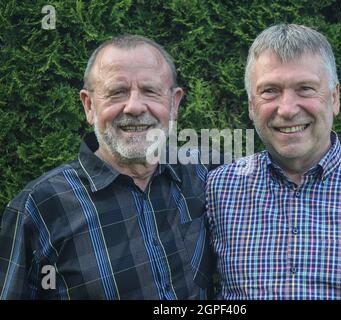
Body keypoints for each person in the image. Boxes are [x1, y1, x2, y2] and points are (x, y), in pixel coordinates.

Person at [0, 35, 214, 299]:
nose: (134, 106)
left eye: (150, 91)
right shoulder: (40, 208)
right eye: (117, 92)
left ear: (174, 103)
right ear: (89, 106)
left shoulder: (201, 173)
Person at [206, 24, 341, 300]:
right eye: (270, 91)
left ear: (334, 98)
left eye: (305, 89)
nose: (286, 109)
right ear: (251, 105)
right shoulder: (218, 190)